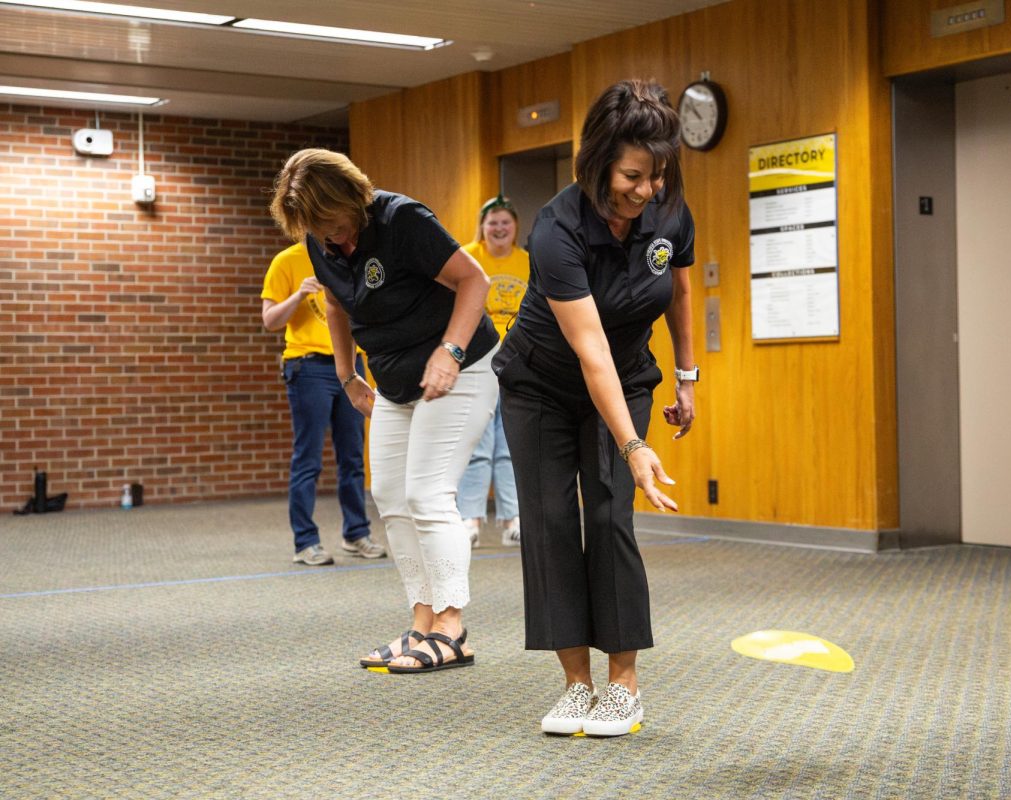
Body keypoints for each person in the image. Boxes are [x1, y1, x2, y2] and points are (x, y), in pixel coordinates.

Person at [492, 79, 698, 736]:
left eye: (656, 175)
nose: (646, 190)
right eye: (633, 175)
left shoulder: (668, 210)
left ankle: (624, 685)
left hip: (628, 374)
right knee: (551, 523)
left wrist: (687, 379)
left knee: (610, 514)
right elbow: (589, 351)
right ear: (599, 163)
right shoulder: (556, 229)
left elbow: (680, 293)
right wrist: (635, 447)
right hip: (542, 385)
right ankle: (575, 685)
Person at [270, 148, 499, 673]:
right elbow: (334, 303)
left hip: (461, 369)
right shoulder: (318, 239)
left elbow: (475, 282)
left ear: (352, 197)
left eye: (331, 222)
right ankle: (422, 623)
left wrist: (452, 351)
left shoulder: (403, 220)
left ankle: (451, 628)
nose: (328, 237)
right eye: (314, 228)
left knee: (428, 492)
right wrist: (348, 375)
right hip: (396, 379)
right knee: (390, 495)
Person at [261, 242, 386, 566]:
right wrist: (299, 295)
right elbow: (270, 320)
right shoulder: (286, 260)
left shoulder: (349, 257)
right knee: (309, 458)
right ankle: (305, 541)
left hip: (351, 365)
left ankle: (356, 533)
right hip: (308, 367)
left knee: (353, 457)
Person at [457, 195, 529, 548]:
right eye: (492, 222)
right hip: (476, 362)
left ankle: (512, 518)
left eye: (505, 222)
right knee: (478, 445)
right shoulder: (468, 256)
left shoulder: (528, 262)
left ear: (515, 227)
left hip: (517, 361)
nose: (499, 228)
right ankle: (470, 518)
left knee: (510, 446)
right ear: (482, 227)